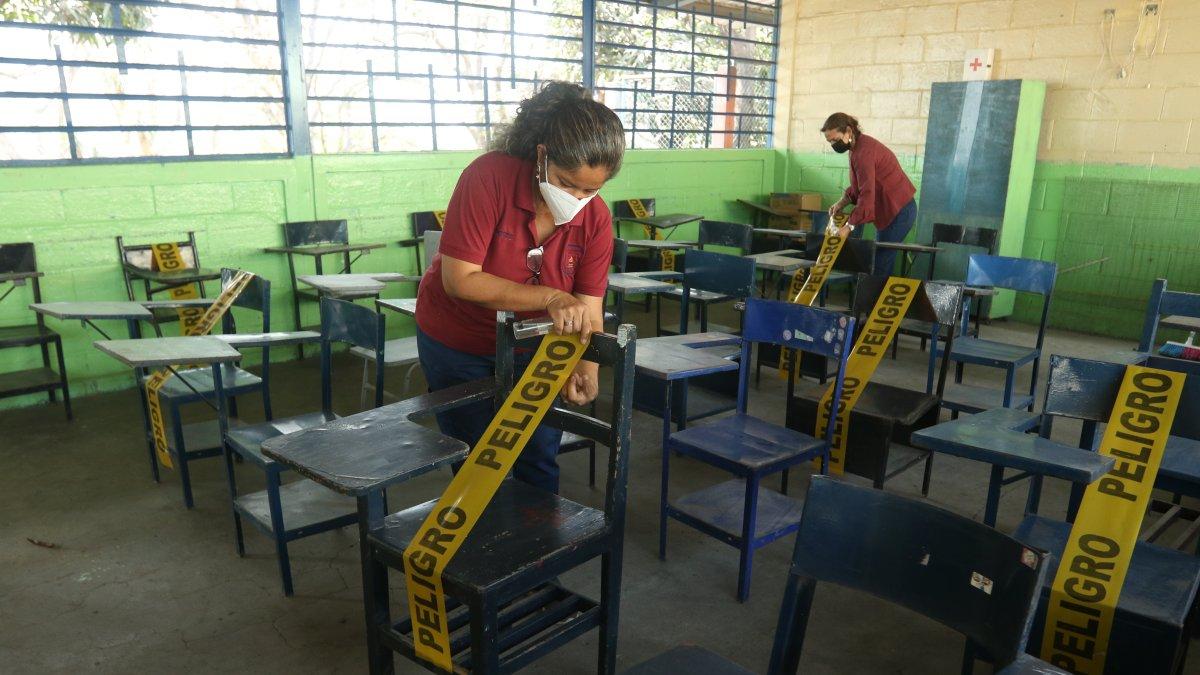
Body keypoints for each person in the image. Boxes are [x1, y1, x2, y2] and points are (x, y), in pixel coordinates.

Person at [414, 81, 623, 495]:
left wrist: (587, 364)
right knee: (477, 460)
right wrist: (548, 296)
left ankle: (537, 545)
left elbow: (589, 305)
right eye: (567, 183)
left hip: (535, 346)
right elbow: (460, 279)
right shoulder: (489, 177)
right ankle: (480, 549)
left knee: (538, 453)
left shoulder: (595, 218)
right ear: (542, 156)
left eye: (591, 189)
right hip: (458, 341)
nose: (577, 198)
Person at [822, 113, 917, 277]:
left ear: (848, 131)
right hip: (891, 209)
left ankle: (873, 301)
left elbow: (867, 195)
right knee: (879, 260)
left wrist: (849, 227)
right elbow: (859, 185)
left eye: (835, 140)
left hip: (899, 210)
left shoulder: (863, 152)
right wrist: (842, 202)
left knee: (880, 261)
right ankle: (872, 300)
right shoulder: (855, 148)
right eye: (829, 141)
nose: (833, 144)